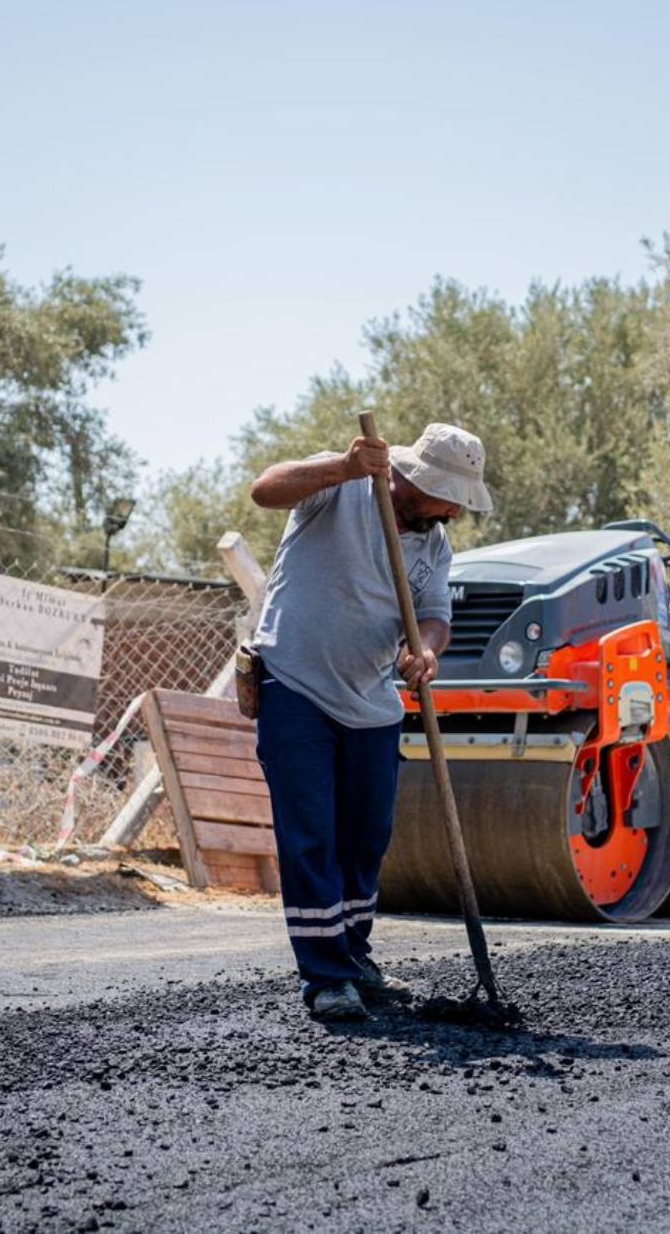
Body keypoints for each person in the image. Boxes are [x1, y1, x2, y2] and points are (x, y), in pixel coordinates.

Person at [249, 422, 493, 1020]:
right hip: (295, 687)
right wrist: (344, 465)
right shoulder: (344, 489)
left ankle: (354, 958)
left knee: (364, 840)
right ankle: (326, 977)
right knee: (311, 836)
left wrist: (427, 650)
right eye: (450, 498)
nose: (456, 512)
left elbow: (435, 616)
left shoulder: (435, 546)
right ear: (418, 481)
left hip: (372, 705)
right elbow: (264, 489)